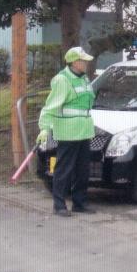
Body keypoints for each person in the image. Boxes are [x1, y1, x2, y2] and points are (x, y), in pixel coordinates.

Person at [37, 46, 96, 217]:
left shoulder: (83, 78)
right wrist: (45, 128)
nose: (86, 63)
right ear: (75, 62)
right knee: (64, 169)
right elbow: (51, 106)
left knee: (82, 170)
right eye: (83, 60)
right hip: (68, 132)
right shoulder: (62, 80)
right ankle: (59, 205)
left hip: (84, 130)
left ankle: (80, 203)